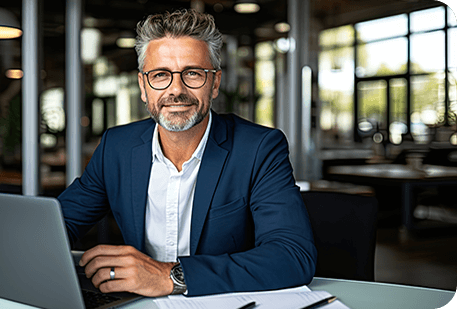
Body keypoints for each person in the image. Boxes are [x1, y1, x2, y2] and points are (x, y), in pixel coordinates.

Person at [58, 8, 316, 298]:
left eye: (193, 73)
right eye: (160, 75)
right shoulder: (116, 147)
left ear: (215, 83)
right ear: (144, 86)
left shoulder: (259, 148)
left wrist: (172, 276)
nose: (176, 90)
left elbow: (292, 255)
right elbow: (59, 224)